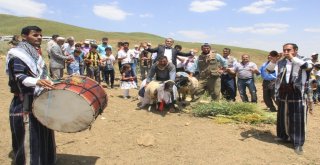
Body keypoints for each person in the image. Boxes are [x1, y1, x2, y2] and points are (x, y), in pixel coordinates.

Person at [5, 26, 56, 165]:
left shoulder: (35, 55)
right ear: (24, 37)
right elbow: (19, 77)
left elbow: (43, 75)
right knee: (28, 136)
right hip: (24, 103)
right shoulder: (17, 55)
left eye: (40, 35)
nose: (39, 37)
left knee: (42, 133)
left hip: (40, 99)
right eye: (35, 35)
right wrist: (38, 81)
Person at [266, 43, 313, 155]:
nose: (286, 52)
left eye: (288, 50)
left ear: (295, 50)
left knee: (297, 118)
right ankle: (284, 137)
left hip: (297, 93)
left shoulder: (304, 59)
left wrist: (292, 58)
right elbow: (269, 70)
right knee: (282, 115)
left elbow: (307, 67)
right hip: (283, 92)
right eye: (284, 50)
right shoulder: (281, 61)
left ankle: (298, 143)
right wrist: (273, 60)